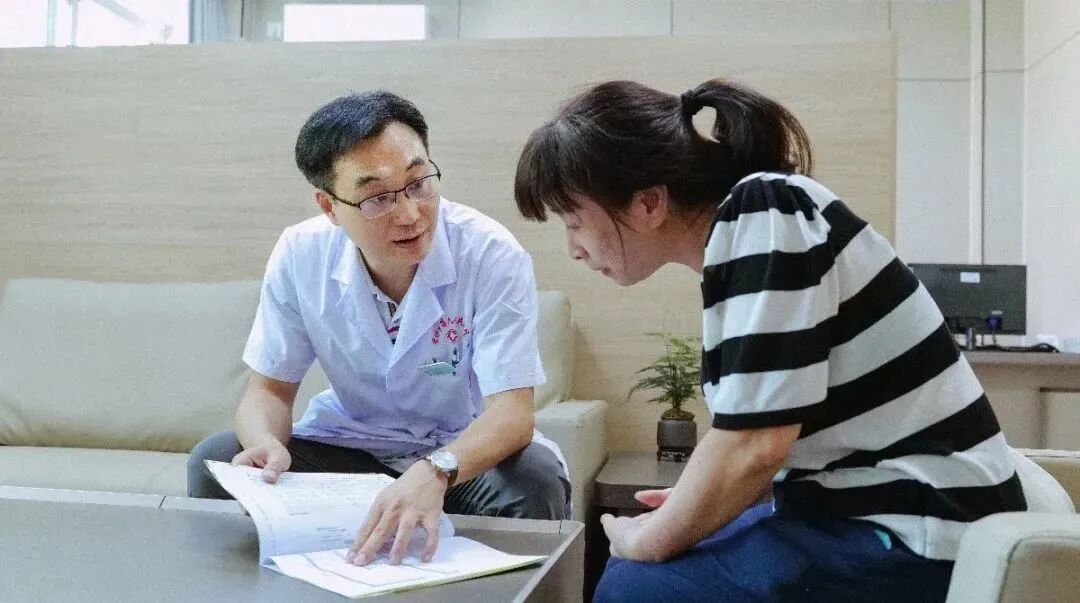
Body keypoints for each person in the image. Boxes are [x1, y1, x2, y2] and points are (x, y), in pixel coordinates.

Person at [513, 78, 1072, 601]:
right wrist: (690, 504)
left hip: (918, 531)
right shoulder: (749, 233)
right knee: (639, 573)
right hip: (876, 517)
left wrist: (650, 537)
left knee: (636, 586)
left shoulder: (765, 210)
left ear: (649, 202)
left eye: (573, 221)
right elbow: (758, 440)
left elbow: (756, 445)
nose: (573, 248)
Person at [188, 91, 570, 566]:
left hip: (461, 457)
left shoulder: (490, 254)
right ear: (329, 207)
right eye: (377, 198)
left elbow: (512, 415)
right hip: (351, 448)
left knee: (534, 478)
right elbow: (268, 391)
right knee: (216, 459)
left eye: (418, 183)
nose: (410, 214)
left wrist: (435, 470)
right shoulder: (300, 254)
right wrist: (265, 442)